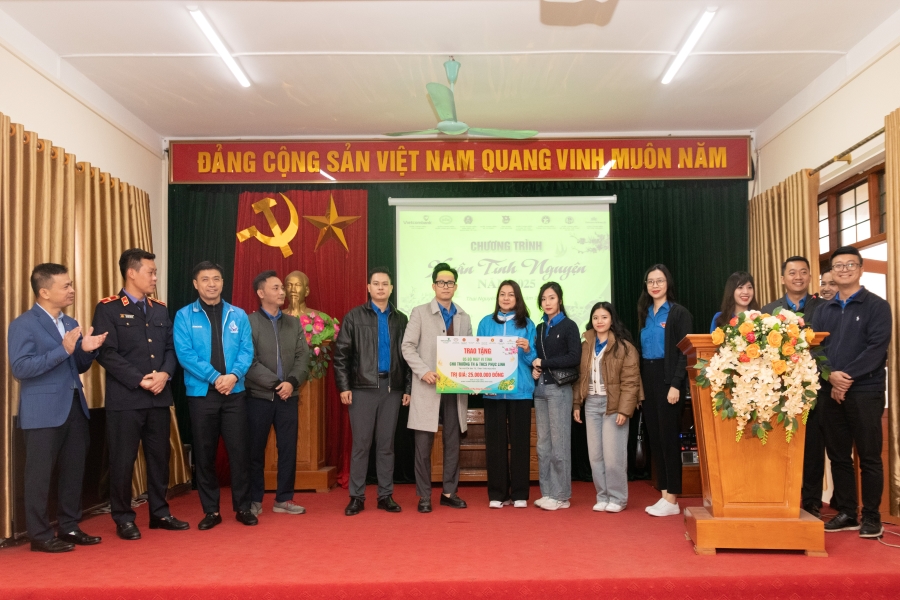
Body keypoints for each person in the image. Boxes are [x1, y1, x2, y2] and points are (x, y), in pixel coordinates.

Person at [8, 264, 107, 552]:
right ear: (44, 291)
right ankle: (39, 535)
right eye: (65, 286)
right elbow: (20, 368)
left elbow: (76, 366)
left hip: (75, 407)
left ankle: (69, 526)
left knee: (74, 471)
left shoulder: (70, 322)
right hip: (42, 411)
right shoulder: (24, 324)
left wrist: (87, 350)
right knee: (39, 476)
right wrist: (63, 350)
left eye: (71, 284)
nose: (72, 290)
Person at [92, 249, 190, 540]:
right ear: (131, 273)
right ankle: (123, 518)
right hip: (126, 400)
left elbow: (171, 348)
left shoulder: (159, 308)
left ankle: (160, 513)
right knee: (122, 461)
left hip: (159, 396)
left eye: (155, 272)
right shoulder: (108, 308)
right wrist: (139, 380)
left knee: (160, 458)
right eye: (151, 272)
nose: (155, 277)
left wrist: (164, 374)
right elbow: (106, 353)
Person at [811, 246, 891, 539]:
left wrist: (845, 379)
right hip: (829, 390)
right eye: (838, 266)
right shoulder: (823, 310)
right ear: (831, 272)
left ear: (860, 269)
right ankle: (847, 512)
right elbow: (815, 348)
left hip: (866, 391)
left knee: (869, 456)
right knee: (839, 456)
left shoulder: (877, 306)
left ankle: (871, 516)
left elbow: (877, 348)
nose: (843, 270)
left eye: (850, 265)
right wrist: (831, 376)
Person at [173, 261, 257, 529]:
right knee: (204, 454)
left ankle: (243, 508)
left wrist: (233, 376)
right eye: (205, 279)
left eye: (216, 279)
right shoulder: (184, 316)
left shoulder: (238, 315)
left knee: (240, 453)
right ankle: (211, 511)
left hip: (235, 392)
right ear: (196, 284)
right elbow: (185, 354)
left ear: (223, 282)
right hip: (202, 396)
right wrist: (214, 377)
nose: (212, 284)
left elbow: (247, 350)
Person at [334, 267, 412, 516]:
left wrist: (408, 387)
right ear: (368, 288)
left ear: (391, 288)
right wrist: (344, 387)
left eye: (385, 284)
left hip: (392, 389)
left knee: (387, 445)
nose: (380, 287)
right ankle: (356, 497)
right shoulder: (354, 316)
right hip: (362, 389)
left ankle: (385, 495)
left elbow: (408, 356)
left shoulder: (401, 319)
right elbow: (341, 355)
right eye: (376, 284)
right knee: (361, 445)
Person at [401, 262, 472, 513]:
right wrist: (424, 372)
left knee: (453, 442)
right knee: (423, 445)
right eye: (441, 282)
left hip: (454, 389)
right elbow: (407, 346)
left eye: (450, 282)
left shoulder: (464, 316)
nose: (446, 286)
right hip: (427, 387)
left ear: (455, 286)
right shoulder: (420, 313)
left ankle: (449, 492)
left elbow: (469, 353)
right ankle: (424, 496)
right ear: (434, 286)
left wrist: (473, 378)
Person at [760, 255, 824, 517]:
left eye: (803, 272)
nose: (798, 277)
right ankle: (778, 497)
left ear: (809, 276)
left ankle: (812, 501)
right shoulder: (768, 311)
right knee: (778, 443)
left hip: (813, 387)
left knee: (813, 446)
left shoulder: (824, 308)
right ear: (782, 278)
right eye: (792, 272)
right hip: (779, 389)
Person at [245, 271, 310, 517]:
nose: (282, 292)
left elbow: (302, 357)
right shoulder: (249, 322)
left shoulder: (293, 323)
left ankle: (284, 498)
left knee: (288, 449)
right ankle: (254, 500)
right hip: (259, 398)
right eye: (276, 288)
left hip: (288, 397)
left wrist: (291, 382)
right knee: (255, 451)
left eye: (282, 287)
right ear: (261, 293)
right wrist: (276, 384)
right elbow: (248, 361)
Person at [573, 302, 641, 513]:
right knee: (595, 457)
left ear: (612, 320)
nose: (599, 321)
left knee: (613, 457)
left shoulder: (624, 347)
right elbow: (579, 378)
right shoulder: (585, 345)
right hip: (591, 405)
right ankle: (602, 496)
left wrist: (624, 410)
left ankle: (618, 499)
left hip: (614, 405)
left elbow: (631, 381)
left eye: (604, 317)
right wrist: (577, 404)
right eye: (595, 318)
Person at [476, 280, 537, 509]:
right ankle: (497, 494)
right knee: (495, 444)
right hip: (493, 393)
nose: (506, 298)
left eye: (511, 294)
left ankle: (520, 493)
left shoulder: (527, 324)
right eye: (502, 294)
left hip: (520, 392)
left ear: (517, 298)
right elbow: (478, 356)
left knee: (520, 443)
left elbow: (534, 359)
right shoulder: (485, 323)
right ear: (497, 297)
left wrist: (527, 349)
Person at [638, 264, 692, 517]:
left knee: (669, 439)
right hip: (648, 377)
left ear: (668, 283)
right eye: (650, 281)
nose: (655, 285)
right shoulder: (645, 312)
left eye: (659, 280)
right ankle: (664, 494)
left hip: (668, 379)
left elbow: (685, 353)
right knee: (656, 438)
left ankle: (673, 498)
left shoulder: (679, 313)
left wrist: (675, 384)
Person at [531, 282, 581, 511]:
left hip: (560, 390)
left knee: (559, 445)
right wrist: (535, 368)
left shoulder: (569, 326)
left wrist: (544, 363)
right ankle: (548, 493)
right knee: (543, 446)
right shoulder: (540, 328)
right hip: (540, 390)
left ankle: (561, 496)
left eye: (551, 298)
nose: (547, 302)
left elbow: (574, 357)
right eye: (543, 299)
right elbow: (535, 357)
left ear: (559, 300)